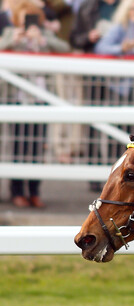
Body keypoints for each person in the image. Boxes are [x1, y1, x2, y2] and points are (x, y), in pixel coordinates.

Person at [0, 0, 70, 209]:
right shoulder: (11, 34)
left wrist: (41, 39)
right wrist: (14, 40)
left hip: (41, 98)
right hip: (18, 98)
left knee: (37, 147)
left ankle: (34, 191)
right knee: (19, 146)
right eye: (24, 19)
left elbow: (64, 47)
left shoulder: (43, 35)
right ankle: (17, 191)